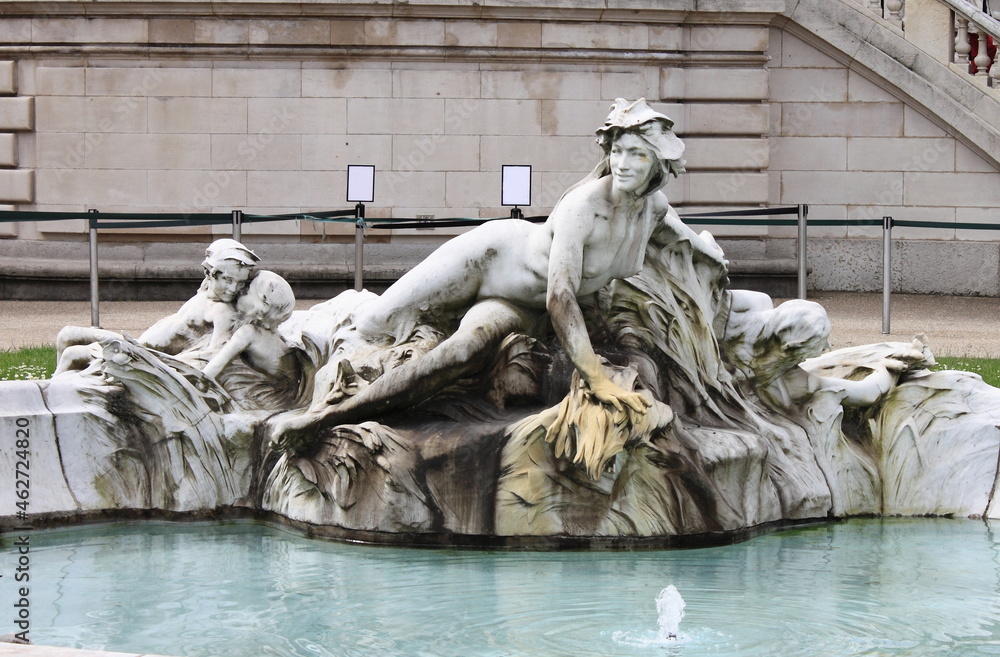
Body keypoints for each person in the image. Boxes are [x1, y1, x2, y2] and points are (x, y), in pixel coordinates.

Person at [270, 98, 724, 450]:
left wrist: (713, 260)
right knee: (373, 323)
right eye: (619, 151)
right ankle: (313, 346)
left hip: (516, 307)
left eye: (638, 156)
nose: (624, 164)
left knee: (461, 351)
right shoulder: (583, 207)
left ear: (658, 167)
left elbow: (686, 244)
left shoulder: (652, 209)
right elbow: (560, 298)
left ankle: (329, 419)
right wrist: (597, 379)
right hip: (489, 258)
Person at [54, 239, 259, 374]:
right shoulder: (206, 292)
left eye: (240, 283)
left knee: (72, 354)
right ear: (209, 273)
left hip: (143, 354)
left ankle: (48, 397)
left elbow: (215, 353)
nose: (233, 288)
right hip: (137, 343)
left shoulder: (222, 310)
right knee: (66, 334)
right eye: (228, 280)